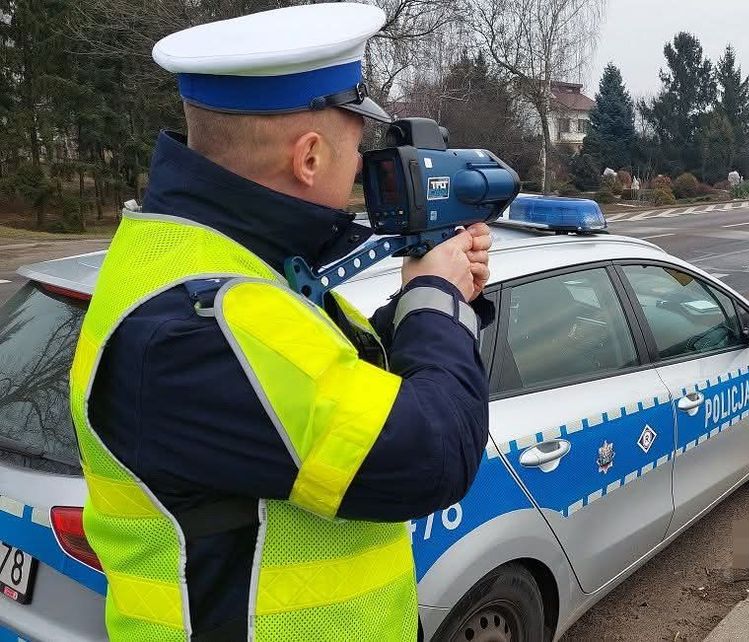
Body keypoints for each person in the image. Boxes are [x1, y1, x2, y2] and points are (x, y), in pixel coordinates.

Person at [69, 5, 492, 640]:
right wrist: (437, 296)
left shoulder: (207, 264)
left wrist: (428, 295)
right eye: (357, 146)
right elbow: (433, 453)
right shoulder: (203, 325)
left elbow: (332, 383)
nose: (361, 168)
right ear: (311, 157)